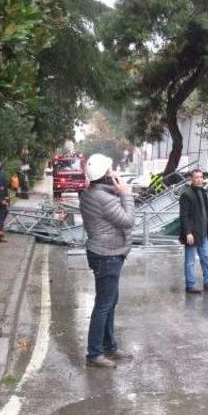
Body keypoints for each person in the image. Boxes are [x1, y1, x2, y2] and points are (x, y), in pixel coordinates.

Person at [79, 153, 135, 369]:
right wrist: (126, 194)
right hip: (107, 254)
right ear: (104, 176)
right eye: (111, 170)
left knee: (110, 302)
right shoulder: (103, 199)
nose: (115, 173)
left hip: (107, 252)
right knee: (104, 304)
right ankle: (94, 353)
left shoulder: (93, 194)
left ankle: (109, 346)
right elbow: (128, 220)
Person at [179, 168, 208, 294]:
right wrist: (188, 232)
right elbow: (184, 216)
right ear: (191, 179)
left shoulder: (202, 192)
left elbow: (206, 213)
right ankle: (190, 285)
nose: (199, 179)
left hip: (203, 233)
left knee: (207, 258)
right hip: (192, 234)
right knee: (190, 261)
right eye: (196, 177)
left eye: (201, 177)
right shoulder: (186, 194)